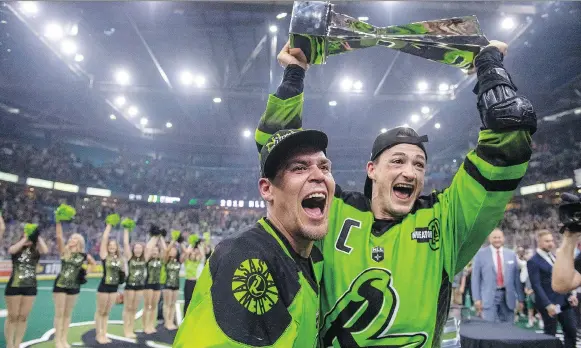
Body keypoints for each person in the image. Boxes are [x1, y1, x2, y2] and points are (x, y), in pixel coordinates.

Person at [255, 39, 535, 346]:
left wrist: (489, 68)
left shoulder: (444, 220)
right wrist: (294, 74)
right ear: (372, 170)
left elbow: (509, 133)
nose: (409, 172)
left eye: (419, 164)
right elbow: (277, 154)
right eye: (398, 161)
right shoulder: (332, 211)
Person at [174, 128, 335, 347]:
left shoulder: (308, 255)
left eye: (325, 167)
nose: (319, 175)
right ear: (267, 189)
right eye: (299, 168)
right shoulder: (248, 259)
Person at [53, 204, 96, 348]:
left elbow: (93, 263)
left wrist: (86, 272)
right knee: (59, 314)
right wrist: (58, 220)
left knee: (67, 314)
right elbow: (59, 237)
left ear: (79, 243)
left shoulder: (84, 255)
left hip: (74, 286)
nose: (71, 240)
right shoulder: (65, 252)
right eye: (71, 239)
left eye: (74, 239)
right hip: (60, 285)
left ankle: (64, 339)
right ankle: (58, 340)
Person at [529, 230, 577, 348]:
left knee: (571, 330)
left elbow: (562, 278)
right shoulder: (533, 261)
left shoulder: (555, 257)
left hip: (564, 301)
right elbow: (536, 285)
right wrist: (547, 304)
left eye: (551, 240)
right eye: (547, 241)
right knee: (550, 335)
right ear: (539, 242)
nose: (550, 243)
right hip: (549, 304)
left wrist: (571, 294)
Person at [4, 224, 49, 348]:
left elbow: (45, 250)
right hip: (14, 285)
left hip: (30, 286)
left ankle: (17, 344)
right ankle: (10, 344)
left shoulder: (36, 250)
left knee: (23, 317)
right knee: (13, 316)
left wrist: (37, 236)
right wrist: (25, 238)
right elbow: (11, 250)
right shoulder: (17, 249)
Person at [471, 229, 524, 323]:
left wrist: (520, 298)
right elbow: (475, 279)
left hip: (508, 297)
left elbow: (516, 279)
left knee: (509, 328)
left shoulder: (511, 254)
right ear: (489, 239)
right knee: (489, 328)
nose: (497, 240)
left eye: (499, 237)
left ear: (503, 238)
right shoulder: (480, 254)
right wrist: (477, 298)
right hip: (488, 297)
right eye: (494, 237)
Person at [94, 214, 123, 345]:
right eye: (110, 245)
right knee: (100, 311)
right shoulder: (104, 255)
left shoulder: (120, 259)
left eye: (114, 245)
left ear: (117, 247)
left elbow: (121, 275)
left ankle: (104, 333)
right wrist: (109, 225)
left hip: (114, 288)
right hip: (104, 287)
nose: (112, 246)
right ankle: (98, 334)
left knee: (107, 312)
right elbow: (104, 239)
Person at [121, 218, 144, 338]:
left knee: (134, 308)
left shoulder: (144, 258)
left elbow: (150, 247)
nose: (138, 249)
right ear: (133, 249)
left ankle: (131, 328)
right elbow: (125, 243)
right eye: (136, 247)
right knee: (128, 307)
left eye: (140, 248)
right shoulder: (130, 258)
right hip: (130, 286)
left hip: (140, 286)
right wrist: (126, 229)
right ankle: (126, 329)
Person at [143, 228, 166, 334]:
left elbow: (165, 250)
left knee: (154, 306)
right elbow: (148, 247)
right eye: (153, 251)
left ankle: (151, 325)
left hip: (157, 284)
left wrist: (161, 237)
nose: (155, 252)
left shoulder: (161, 260)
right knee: (147, 306)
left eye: (156, 251)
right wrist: (155, 236)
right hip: (148, 284)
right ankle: (146, 326)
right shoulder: (147, 259)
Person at [162, 230, 184, 330]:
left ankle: (171, 321)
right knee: (167, 304)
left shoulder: (179, 261)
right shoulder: (166, 260)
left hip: (176, 284)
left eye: (175, 250)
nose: (173, 251)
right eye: (172, 250)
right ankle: (167, 322)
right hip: (167, 284)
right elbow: (166, 251)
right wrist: (173, 240)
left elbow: (186, 253)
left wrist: (181, 242)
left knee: (172, 304)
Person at [182, 234, 204, 315]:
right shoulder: (187, 262)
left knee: (195, 301)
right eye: (192, 253)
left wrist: (198, 245)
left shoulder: (197, 262)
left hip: (195, 283)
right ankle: (185, 317)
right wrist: (191, 243)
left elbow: (202, 254)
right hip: (188, 282)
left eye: (195, 254)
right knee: (187, 301)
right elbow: (186, 252)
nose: (194, 254)